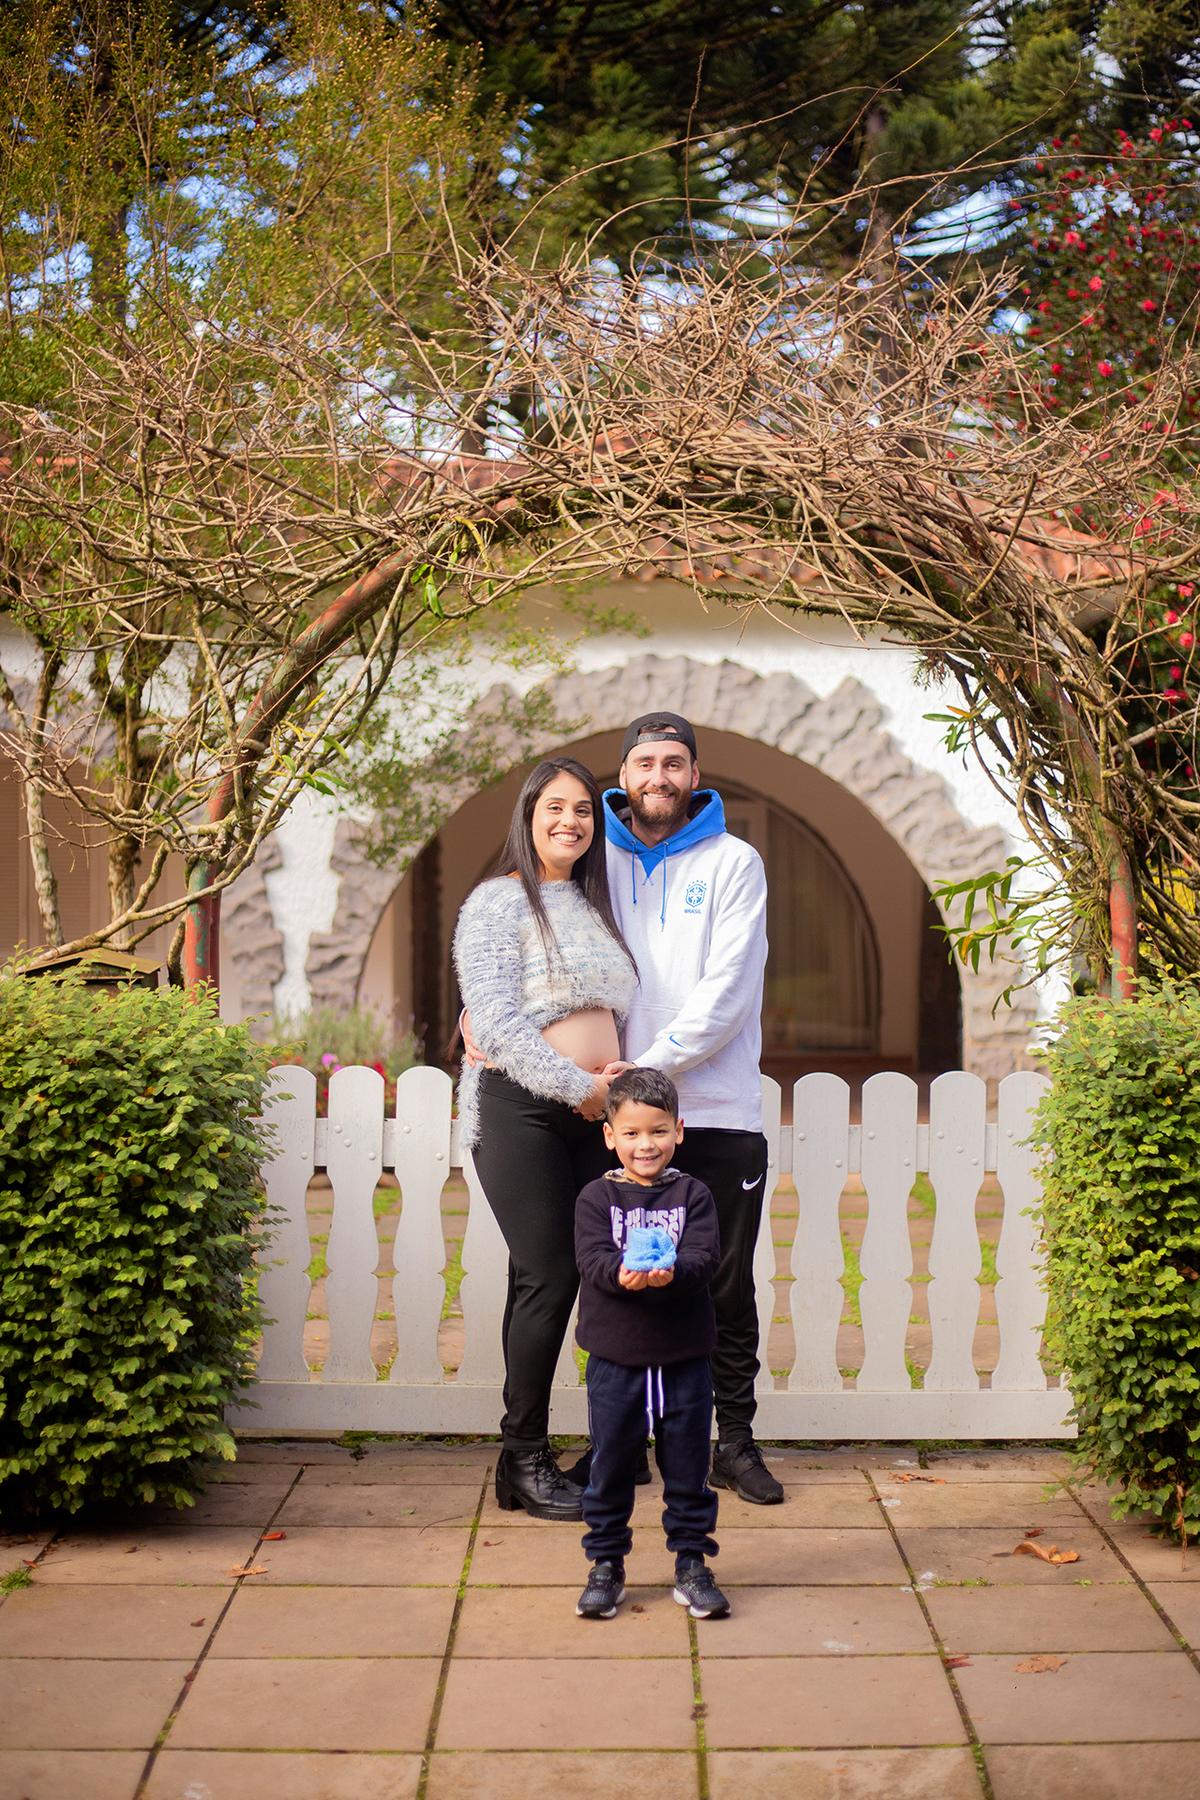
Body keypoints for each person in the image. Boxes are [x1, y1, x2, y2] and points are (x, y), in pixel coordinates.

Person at [595, 712, 784, 1506]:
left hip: (718, 1110)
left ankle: (732, 1444)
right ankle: (630, 1445)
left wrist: (644, 1072)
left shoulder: (736, 862)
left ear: (695, 777)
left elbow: (729, 993)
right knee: (624, 1281)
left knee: (724, 1285)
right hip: (622, 1122)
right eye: (646, 762)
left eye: (674, 763)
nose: (659, 777)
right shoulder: (591, 859)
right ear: (626, 774)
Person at [452, 756, 637, 1521]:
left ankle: (607, 1445)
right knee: (548, 1274)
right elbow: (494, 1019)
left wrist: (616, 1074)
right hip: (522, 1108)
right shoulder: (497, 901)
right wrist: (582, 1088)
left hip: (592, 1113)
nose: (570, 820)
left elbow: (613, 1006)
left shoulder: (595, 905)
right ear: (528, 816)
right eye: (555, 807)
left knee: (599, 1274)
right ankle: (522, 1460)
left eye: (584, 810)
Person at [573, 1068, 729, 1622]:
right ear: (611, 1135)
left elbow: (706, 1258)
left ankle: (691, 1564)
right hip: (616, 1362)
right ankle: (607, 1565)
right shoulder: (597, 1197)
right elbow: (591, 1261)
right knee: (610, 1466)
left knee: (688, 1468)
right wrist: (623, 1273)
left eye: (658, 1131)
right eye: (633, 1133)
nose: (646, 1144)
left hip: (685, 1359)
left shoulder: (695, 1195)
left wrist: (673, 1273)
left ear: (679, 1131)